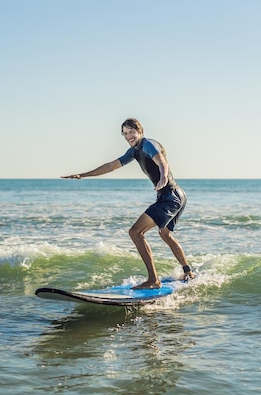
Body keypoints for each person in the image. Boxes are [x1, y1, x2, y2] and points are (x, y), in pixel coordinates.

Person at [61, 118, 194, 289]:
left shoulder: (148, 144)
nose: (128, 136)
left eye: (131, 132)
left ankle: (153, 280)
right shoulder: (133, 151)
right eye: (124, 133)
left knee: (135, 232)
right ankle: (187, 271)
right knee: (165, 234)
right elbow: (111, 166)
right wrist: (83, 175)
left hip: (170, 196)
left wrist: (163, 177)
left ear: (140, 132)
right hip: (177, 195)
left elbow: (161, 160)